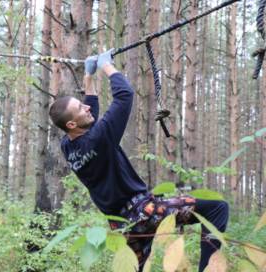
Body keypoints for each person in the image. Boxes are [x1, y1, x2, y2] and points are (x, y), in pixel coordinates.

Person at [49, 49, 229, 271]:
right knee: (217, 209)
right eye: (80, 108)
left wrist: (89, 77)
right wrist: (106, 67)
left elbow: (90, 113)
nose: (86, 107)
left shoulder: (68, 145)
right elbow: (125, 94)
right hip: (145, 212)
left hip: (123, 224)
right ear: (71, 125)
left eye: (82, 104)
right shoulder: (99, 139)